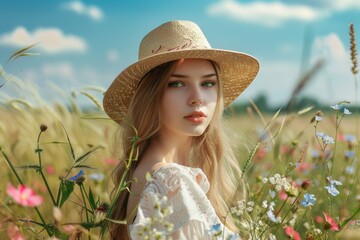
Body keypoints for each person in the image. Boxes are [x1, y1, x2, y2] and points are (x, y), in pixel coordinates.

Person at [103, 20, 259, 239]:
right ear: (150, 96)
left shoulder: (152, 173)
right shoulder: (171, 182)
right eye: (176, 84)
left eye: (208, 83)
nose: (197, 98)